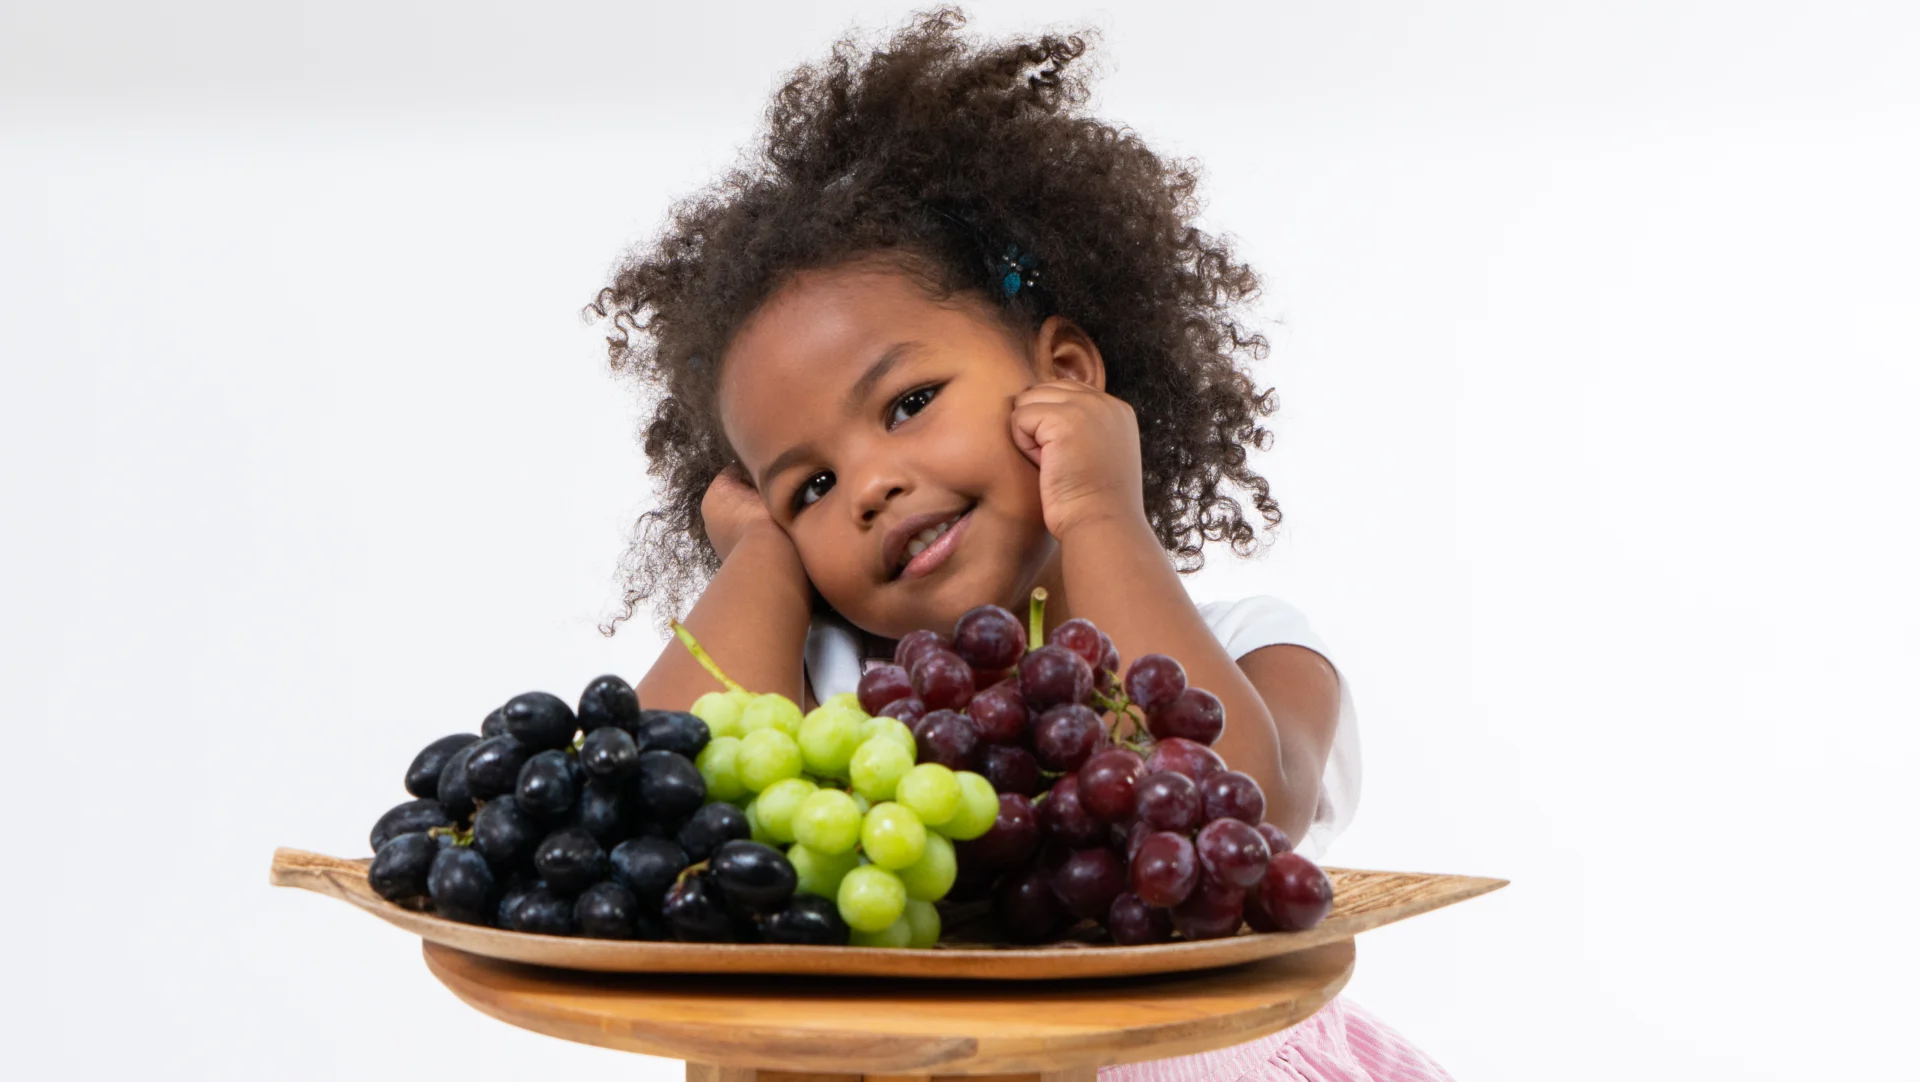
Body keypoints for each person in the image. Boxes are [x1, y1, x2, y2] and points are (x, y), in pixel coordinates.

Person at [590, 9, 1452, 1080]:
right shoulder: (823, 705)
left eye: (906, 402)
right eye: (807, 484)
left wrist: (1101, 511)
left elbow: (1244, 808)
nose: (868, 483)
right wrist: (757, 558)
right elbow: (636, 829)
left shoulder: (1259, 648)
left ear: (1069, 377)